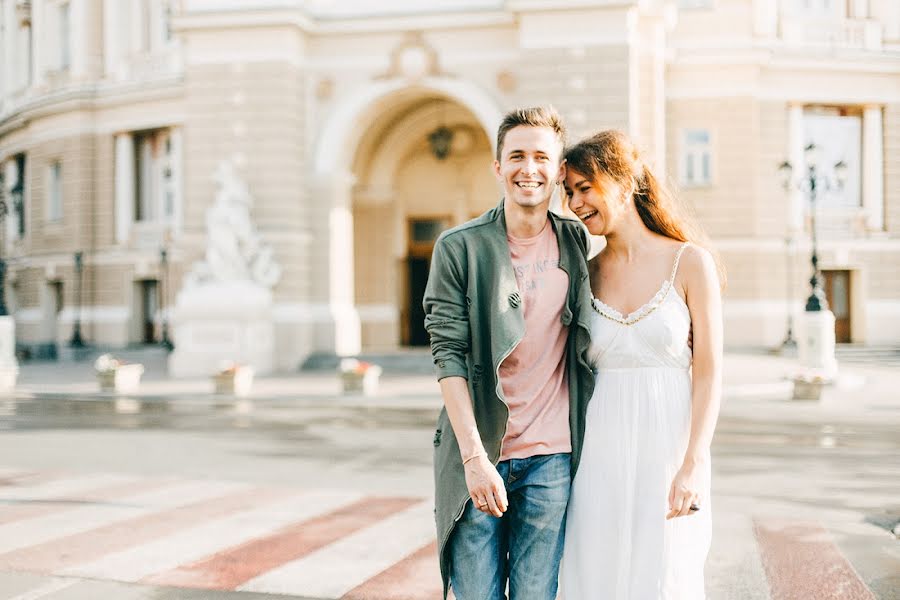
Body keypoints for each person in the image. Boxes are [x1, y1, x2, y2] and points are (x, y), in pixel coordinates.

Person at [423, 106, 595, 600]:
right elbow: (448, 355)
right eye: (516, 155)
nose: (529, 168)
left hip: (550, 458)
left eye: (542, 157)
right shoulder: (460, 248)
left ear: (559, 170)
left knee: (536, 594)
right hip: (480, 452)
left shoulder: (575, 241)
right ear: (497, 167)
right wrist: (475, 458)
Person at [559, 129, 724, 599]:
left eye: (583, 187)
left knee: (666, 574)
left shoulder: (690, 263)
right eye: (568, 192)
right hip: (596, 453)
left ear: (624, 181)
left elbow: (710, 371)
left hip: (669, 448)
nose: (574, 203)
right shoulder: (581, 273)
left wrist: (693, 462)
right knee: (595, 573)